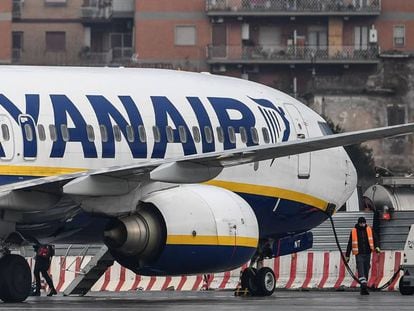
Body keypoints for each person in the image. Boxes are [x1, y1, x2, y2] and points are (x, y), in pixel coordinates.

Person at [345, 216, 381, 295]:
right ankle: (364, 286)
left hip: (368, 253)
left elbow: (375, 239)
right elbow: (350, 244)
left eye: (364, 223)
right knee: (361, 269)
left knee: (366, 269)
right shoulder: (354, 231)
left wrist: (377, 247)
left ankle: (363, 288)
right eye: (361, 223)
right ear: (358, 223)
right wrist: (347, 255)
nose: (362, 224)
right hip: (359, 254)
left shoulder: (369, 229)